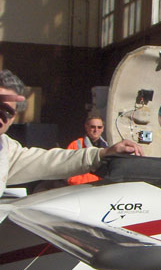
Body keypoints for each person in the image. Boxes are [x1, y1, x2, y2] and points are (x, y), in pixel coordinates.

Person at [0, 70, 143, 194]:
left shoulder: (6, 151)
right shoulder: (76, 143)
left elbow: (51, 162)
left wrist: (103, 154)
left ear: (13, 119)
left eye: (7, 111)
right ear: (86, 127)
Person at [66, 114, 109, 185]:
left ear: (103, 129)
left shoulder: (108, 147)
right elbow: (67, 172)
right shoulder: (75, 145)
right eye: (93, 127)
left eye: (99, 127)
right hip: (80, 187)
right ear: (86, 127)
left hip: (101, 188)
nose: (96, 130)